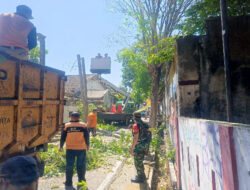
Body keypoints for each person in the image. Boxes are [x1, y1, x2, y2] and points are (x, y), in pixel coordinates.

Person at [60, 112, 89, 189]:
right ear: (79, 118)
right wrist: (88, 145)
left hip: (70, 149)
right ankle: (81, 182)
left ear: (71, 117)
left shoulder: (67, 126)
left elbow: (62, 137)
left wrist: (61, 146)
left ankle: (68, 182)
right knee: (81, 166)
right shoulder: (83, 125)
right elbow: (87, 136)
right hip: (81, 149)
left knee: (69, 166)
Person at [130, 112, 152, 183]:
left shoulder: (136, 125)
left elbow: (135, 138)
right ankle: (142, 175)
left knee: (137, 162)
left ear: (134, 117)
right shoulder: (145, 124)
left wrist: (132, 149)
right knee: (141, 160)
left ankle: (141, 178)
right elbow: (150, 133)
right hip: (145, 144)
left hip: (139, 146)